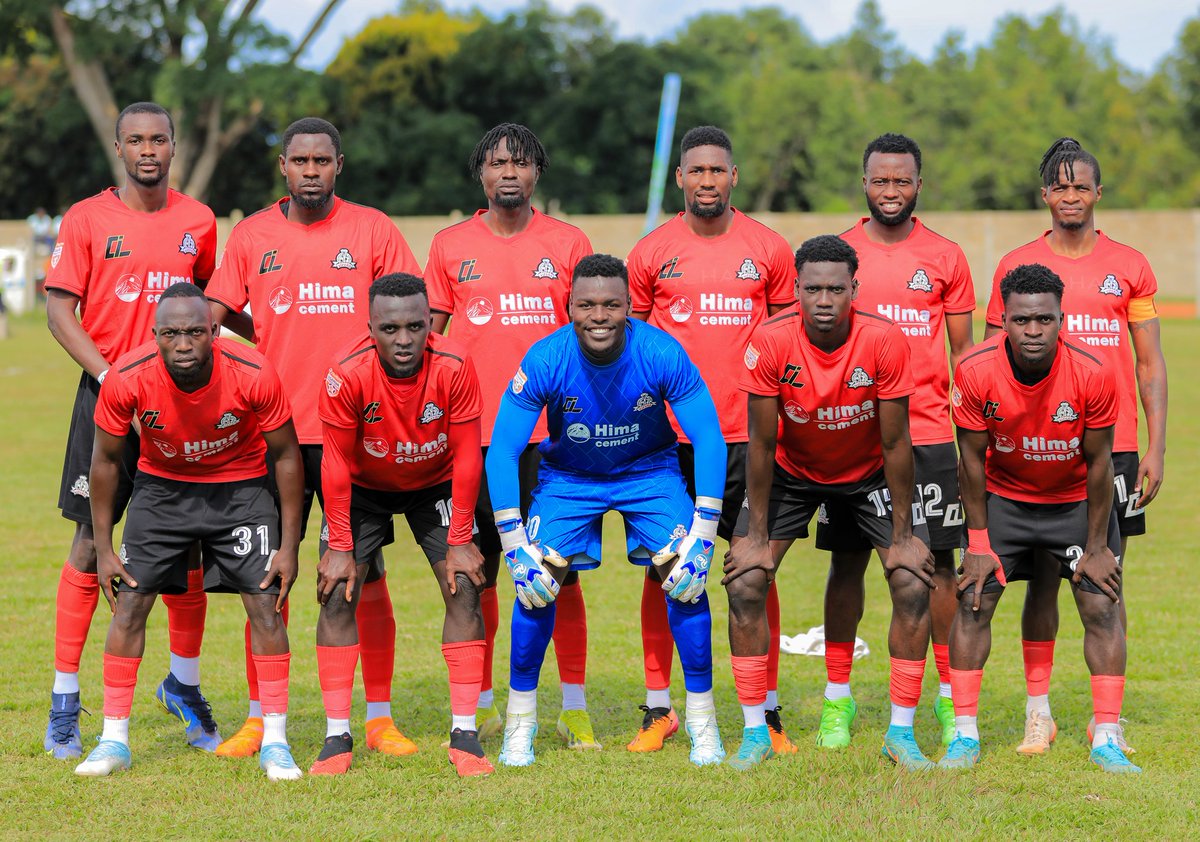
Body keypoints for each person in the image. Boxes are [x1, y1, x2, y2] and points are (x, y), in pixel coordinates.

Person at [206, 117, 422, 759]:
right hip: (274, 434)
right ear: (282, 166)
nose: (310, 170)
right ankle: (259, 717)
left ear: (338, 165)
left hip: (356, 432)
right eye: (299, 160)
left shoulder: (373, 229)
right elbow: (215, 317)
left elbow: (412, 309)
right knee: (265, 575)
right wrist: (259, 342)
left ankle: (378, 717)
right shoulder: (251, 235)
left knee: (364, 568)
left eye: (321, 160)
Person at [486, 253, 728, 768]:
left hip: (649, 473)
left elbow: (708, 436)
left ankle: (703, 720)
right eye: (587, 305)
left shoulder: (661, 351)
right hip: (570, 478)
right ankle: (521, 721)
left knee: (686, 575)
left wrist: (704, 534)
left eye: (611, 305)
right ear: (568, 306)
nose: (599, 315)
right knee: (535, 584)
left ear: (630, 306)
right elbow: (504, 450)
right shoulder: (545, 357)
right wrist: (512, 544)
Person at [43, 102, 218, 760]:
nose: (149, 150)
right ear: (119, 148)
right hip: (107, 399)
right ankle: (65, 700)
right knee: (92, 544)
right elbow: (60, 311)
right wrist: (111, 375)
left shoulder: (197, 220)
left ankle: (185, 684)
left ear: (174, 146)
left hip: (181, 406)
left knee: (190, 549)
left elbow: (206, 311)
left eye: (160, 139)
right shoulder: (87, 219)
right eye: (136, 140)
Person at [75, 283, 303, 780]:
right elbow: (106, 461)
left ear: (214, 331)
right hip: (163, 491)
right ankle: (113, 739)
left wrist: (289, 544)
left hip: (241, 487)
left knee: (265, 605)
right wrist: (103, 545)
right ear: (154, 335)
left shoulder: (253, 371)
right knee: (131, 603)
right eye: (172, 333)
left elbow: (286, 455)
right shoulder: (128, 378)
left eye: (195, 332)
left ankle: (276, 741)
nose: (183, 344)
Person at [983, 138, 1166, 755]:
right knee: (1036, 580)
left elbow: (1149, 364)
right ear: (1044, 195)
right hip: (1030, 450)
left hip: (1111, 449)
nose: (1070, 196)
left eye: (1080, 186)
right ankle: (1040, 712)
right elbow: (989, 367)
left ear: (1097, 193)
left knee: (1104, 581)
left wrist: (1156, 446)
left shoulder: (1131, 265)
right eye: (1059, 187)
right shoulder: (1017, 266)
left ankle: (1103, 722)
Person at [724, 235, 935, 770]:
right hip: (793, 473)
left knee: (911, 583)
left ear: (854, 290)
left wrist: (905, 537)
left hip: (867, 474)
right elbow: (762, 444)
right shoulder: (770, 340)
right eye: (812, 289)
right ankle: (755, 732)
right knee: (746, 580)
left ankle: (901, 734)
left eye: (835, 289)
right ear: (795, 290)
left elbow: (895, 444)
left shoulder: (883, 340)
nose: (823, 300)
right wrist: (752, 537)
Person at [626, 125, 798, 754]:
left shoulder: (770, 249)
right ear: (680, 178)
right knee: (661, 570)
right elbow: (631, 351)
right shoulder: (651, 252)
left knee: (757, 569)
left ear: (734, 176)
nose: (706, 181)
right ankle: (658, 708)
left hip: (750, 440)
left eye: (717, 171)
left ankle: (769, 712)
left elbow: (786, 343)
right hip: (668, 443)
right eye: (696, 171)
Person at [424, 123, 594, 747]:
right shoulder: (449, 246)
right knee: (480, 571)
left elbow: (593, 336)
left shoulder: (569, 242)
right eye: (497, 163)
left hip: (555, 439)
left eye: (521, 163)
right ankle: (485, 702)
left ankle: (572, 705)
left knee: (563, 571)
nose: (509, 173)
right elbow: (430, 341)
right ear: (481, 173)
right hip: (475, 439)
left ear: (537, 173)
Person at [813, 133, 975, 748]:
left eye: (901, 181)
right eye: (880, 181)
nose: (890, 191)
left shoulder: (946, 256)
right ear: (864, 184)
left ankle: (942, 695)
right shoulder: (840, 255)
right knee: (846, 562)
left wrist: (970, 441)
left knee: (935, 569)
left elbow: (967, 356)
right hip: (852, 441)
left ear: (918, 186)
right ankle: (837, 700)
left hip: (929, 434)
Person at [943, 262, 1138, 773]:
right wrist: (980, 542)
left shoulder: (1094, 372)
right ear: (1004, 319)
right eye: (1022, 320)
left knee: (1101, 605)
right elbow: (969, 462)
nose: (1033, 331)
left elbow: (1100, 464)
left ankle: (1108, 736)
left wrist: (1097, 548)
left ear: (1061, 319)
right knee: (973, 601)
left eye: (1045, 321)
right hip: (1005, 501)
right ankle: (964, 736)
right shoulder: (974, 370)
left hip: (1074, 502)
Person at [311, 274, 492, 777]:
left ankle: (465, 732)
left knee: (465, 587)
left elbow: (465, 456)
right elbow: (335, 464)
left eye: (416, 326)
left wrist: (459, 540)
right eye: (390, 328)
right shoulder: (345, 372)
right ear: (370, 327)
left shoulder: (454, 364)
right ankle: (336, 734)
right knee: (336, 591)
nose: (405, 339)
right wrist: (341, 545)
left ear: (430, 325)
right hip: (364, 485)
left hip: (434, 480)